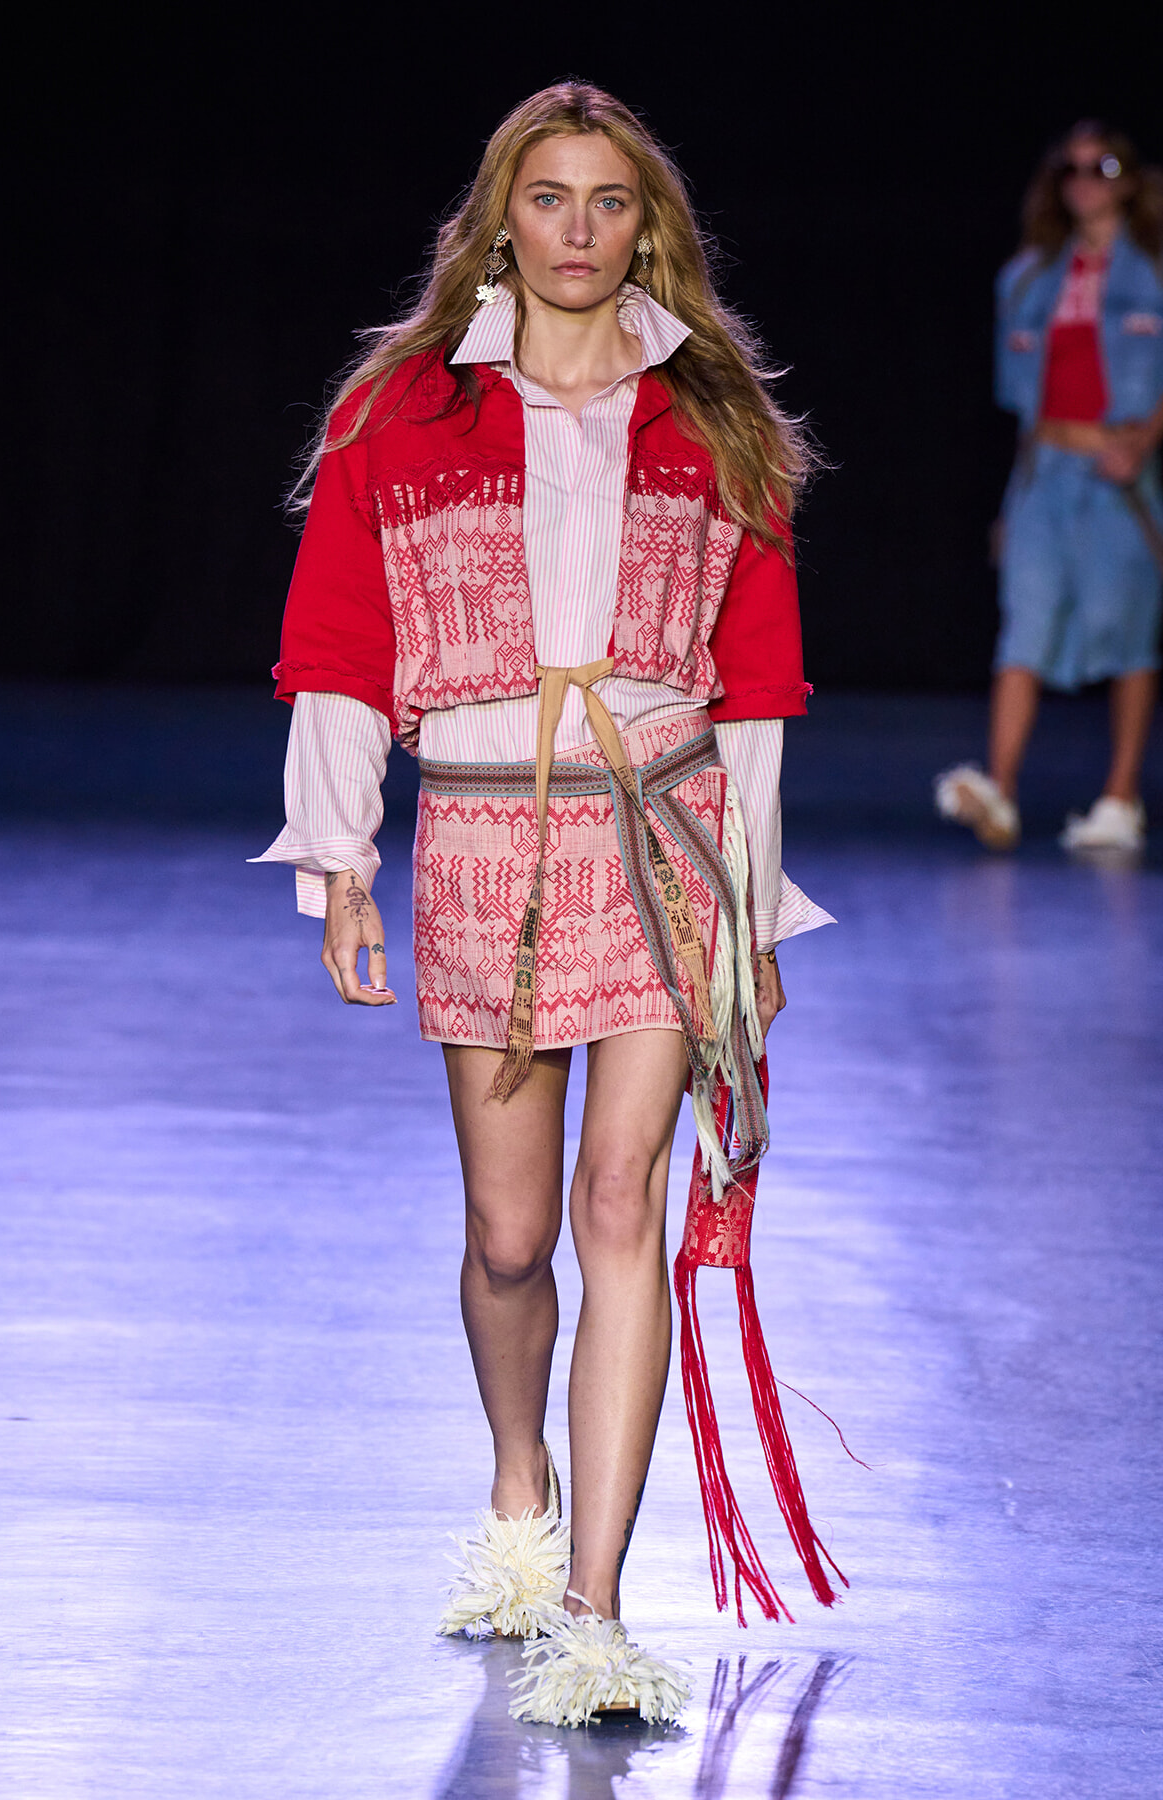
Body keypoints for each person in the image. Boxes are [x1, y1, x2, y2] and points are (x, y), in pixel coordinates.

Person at [254, 82, 833, 1725]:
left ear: (650, 226)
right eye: (548, 198)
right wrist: (338, 855)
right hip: (490, 842)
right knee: (510, 1243)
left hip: (663, 838)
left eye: (609, 203)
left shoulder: (712, 417)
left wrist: (755, 906)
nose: (579, 231)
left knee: (617, 1208)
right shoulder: (405, 412)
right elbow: (342, 649)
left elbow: (763, 681)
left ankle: (596, 1607)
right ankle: (522, 1498)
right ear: (500, 218)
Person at [936, 121, 1163, 853]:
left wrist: (1145, 440)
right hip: (1046, 472)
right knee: (1023, 625)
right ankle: (999, 789)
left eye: (1100, 167)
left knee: (1126, 630)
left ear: (1128, 179)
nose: (1083, 181)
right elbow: (1023, 396)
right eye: (1069, 169)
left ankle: (1120, 798)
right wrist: (1014, 498)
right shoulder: (1033, 276)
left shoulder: (1154, 270)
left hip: (1119, 477)